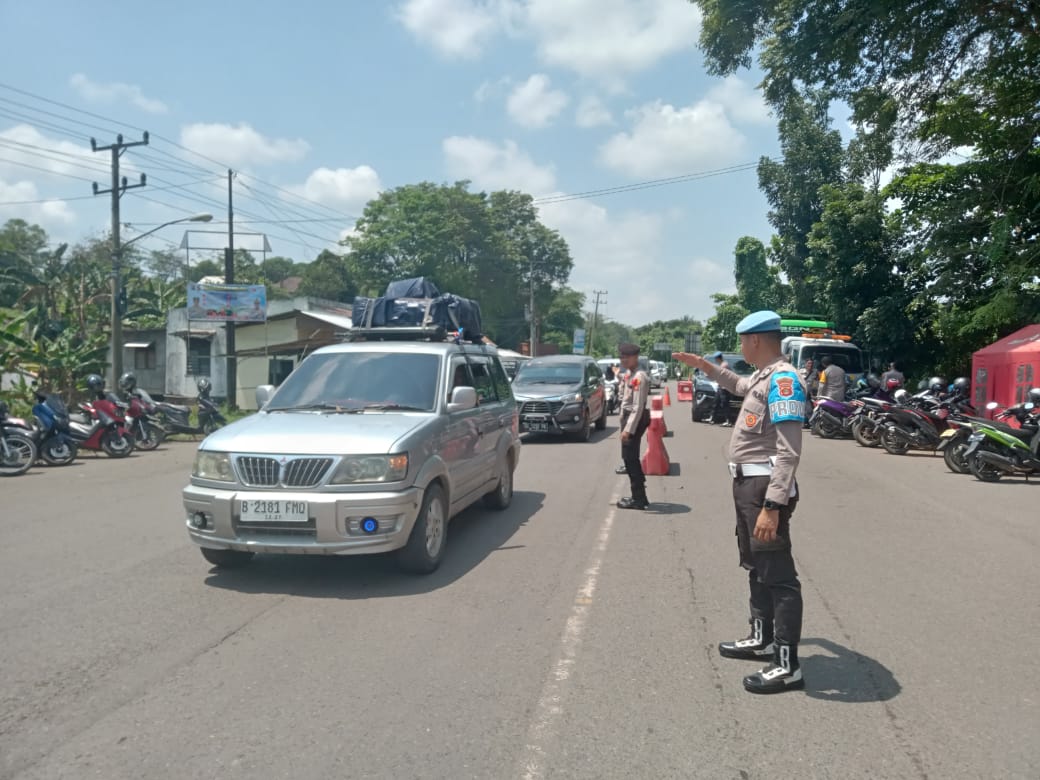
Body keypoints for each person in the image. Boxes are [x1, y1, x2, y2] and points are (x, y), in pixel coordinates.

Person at [673, 310, 807, 694]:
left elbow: (789, 451)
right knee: (755, 564)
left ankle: (787, 664)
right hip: (747, 485)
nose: (740, 346)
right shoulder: (764, 377)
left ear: (755, 341)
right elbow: (738, 385)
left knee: (779, 576)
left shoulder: (783, 381)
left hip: (764, 488)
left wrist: (773, 505)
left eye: (742, 340)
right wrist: (706, 368)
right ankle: (761, 637)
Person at [616, 343, 651, 510]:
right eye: (621, 357)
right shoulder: (630, 374)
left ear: (635, 357)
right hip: (629, 418)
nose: (623, 360)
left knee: (630, 459)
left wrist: (628, 430)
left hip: (634, 420)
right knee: (629, 459)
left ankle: (638, 498)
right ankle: (639, 496)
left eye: (626, 357)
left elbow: (638, 406)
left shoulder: (640, 377)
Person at [710, 351, 733, 427]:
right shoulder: (722, 364)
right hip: (720, 387)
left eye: (715, 359)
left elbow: (719, 375)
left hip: (724, 388)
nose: (715, 360)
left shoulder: (724, 365)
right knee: (715, 402)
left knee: (725, 404)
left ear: (718, 358)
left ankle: (728, 421)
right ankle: (712, 418)